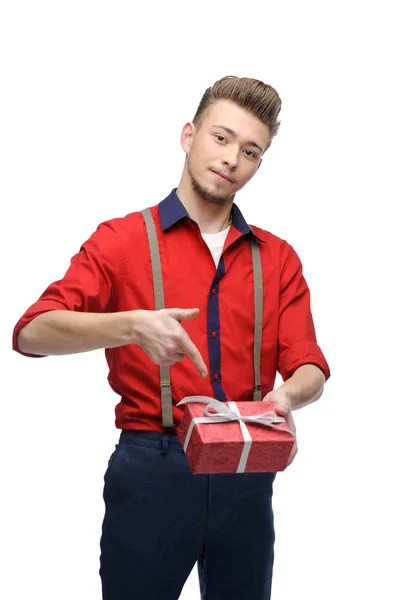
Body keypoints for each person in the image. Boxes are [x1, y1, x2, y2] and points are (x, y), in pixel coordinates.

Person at [12, 75, 330, 600]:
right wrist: (131, 325)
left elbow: (309, 366)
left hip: (248, 473)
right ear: (189, 135)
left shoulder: (278, 258)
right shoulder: (120, 240)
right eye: (221, 138)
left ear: (259, 163)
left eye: (249, 150)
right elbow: (31, 333)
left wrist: (287, 396)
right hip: (151, 469)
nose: (231, 159)